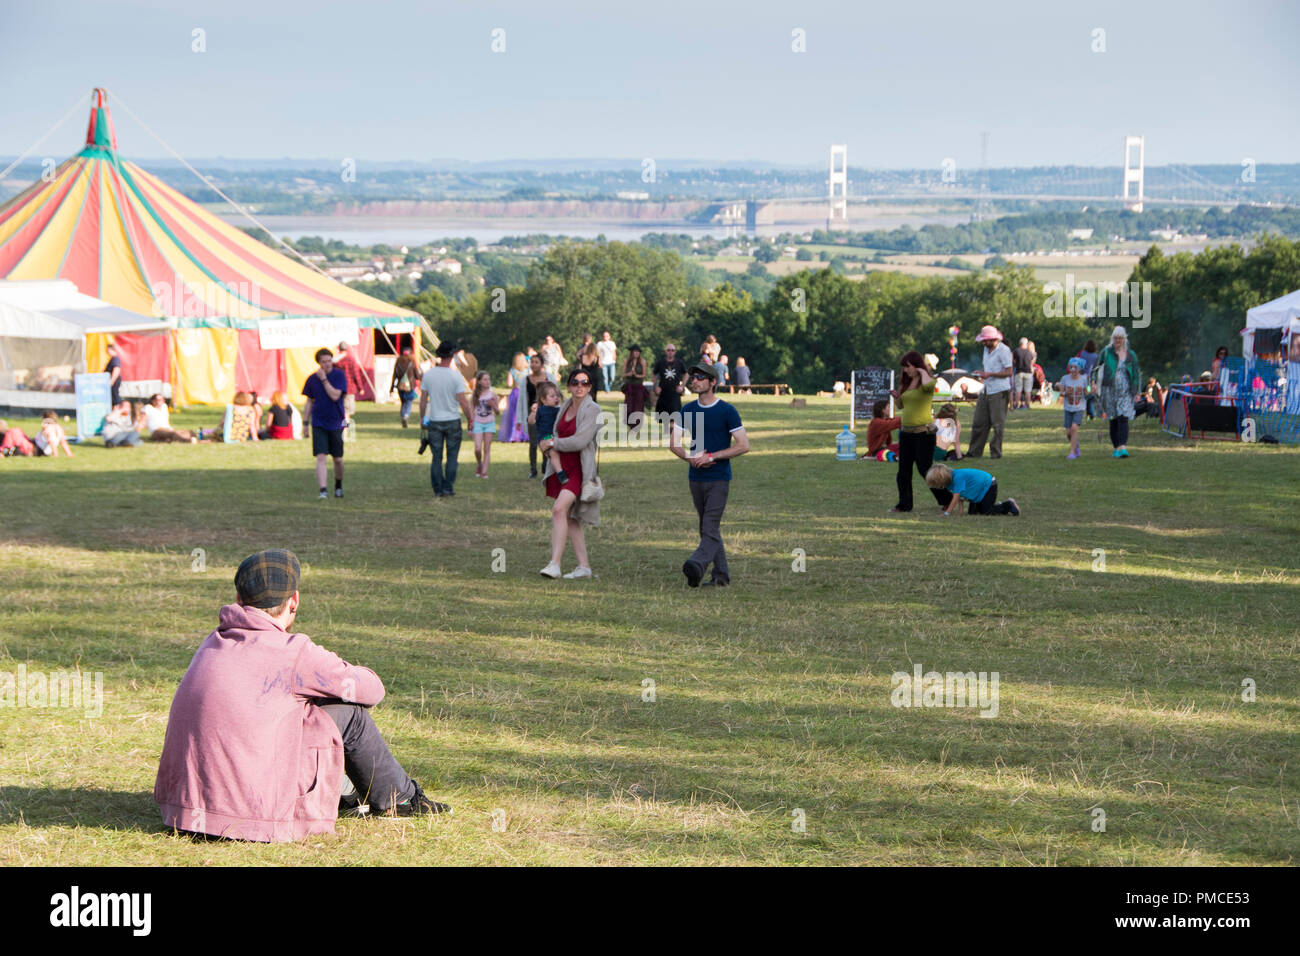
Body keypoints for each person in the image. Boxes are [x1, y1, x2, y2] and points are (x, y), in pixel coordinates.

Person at [154, 549, 449, 842]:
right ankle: (402, 800)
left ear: (239, 599)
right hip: (254, 818)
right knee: (348, 714)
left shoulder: (213, 642)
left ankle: (348, 795)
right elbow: (372, 690)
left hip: (184, 812)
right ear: (294, 600)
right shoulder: (295, 652)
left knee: (302, 710)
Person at [670, 362, 749, 588]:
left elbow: (743, 445)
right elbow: (674, 443)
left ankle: (696, 564)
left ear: (713, 382)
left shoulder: (727, 411)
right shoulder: (687, 410)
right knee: (707, 527)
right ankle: (721, 576)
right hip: (695, 479)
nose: (694, 380)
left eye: (700, 377)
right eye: (693, 377)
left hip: (719, 478)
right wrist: (690, 458)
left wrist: (712, 457)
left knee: (709, 527)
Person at [538, 369, 602, 580]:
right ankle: (584, 567)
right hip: (561, 466)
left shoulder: (593, 409)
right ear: (569, 385)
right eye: (575, 382)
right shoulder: (564, 406)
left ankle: (554, 564)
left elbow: (580, 441)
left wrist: (553, 443)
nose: (580, 386)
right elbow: (554, 431)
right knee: (569, 517)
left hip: (579, 469)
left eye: (584, 382)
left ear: (590, 386)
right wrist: (547, 445)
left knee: (558, 510)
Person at [889, 351, 952, 514]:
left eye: (907, 366)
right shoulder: (905, 383)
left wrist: (922, 371)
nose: (905, 370)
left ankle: (947, 499)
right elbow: (901, 406)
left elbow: (928, 387)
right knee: (903, 471)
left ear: (916, 366)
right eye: (903, 367)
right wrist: (897, 396)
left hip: (923, 433)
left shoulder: (928, 381)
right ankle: (904, 505)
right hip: (906, 433)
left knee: (925, 470)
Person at [419, 340, 474, 498]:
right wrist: (470, 419)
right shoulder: (456, 376)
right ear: (452, 356)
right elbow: (462, 401)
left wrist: (423, 418)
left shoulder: (428, 375)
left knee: (436, 457)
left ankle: (437, 489)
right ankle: (448, 487)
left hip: (435, 420)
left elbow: (423, 400)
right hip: (452, 420)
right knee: (452, 456)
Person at [301, 348, 347, 499]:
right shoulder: (311, 379)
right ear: (319, 363)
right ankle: (323, 490)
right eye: (324, 362)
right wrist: (305, 423)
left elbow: (335, 396)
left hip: (336, 422)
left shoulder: (339, 375)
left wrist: (324, 380)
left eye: (329, 361)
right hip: (319, 422)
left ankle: (338, 485)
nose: (327, 364)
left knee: (338, 459)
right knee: (321, 457)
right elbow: (309, 401)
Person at [965, 325, 1013, 459]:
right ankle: (974, 452)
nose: (983, 343)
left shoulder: (1004, 350)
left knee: (997, 424)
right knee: (979, 422)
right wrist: (981, 373)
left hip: (999, 390)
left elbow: (1009, 372)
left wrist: (990, 374)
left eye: (985, 340)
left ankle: (996, 452)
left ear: (993, 339)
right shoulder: (986, 350)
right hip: (986, 389)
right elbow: (988, 368)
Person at [1098, 325, 1141, 458]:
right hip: (1109, 390)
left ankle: (1123, 446)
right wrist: (1093, 384)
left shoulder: (1131, 355)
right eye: (1116, 338)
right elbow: (1097, 368)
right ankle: (1116, 447)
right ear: (1112, 339)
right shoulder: (1106, 352)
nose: (1118, 341)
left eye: (1120, 338)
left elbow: (1136, 373)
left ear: (1124, 339)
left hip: (1126, 391)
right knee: (1113, 419)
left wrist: (1138, 391)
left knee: (1123, 418)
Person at [926, 463, 1019, 517]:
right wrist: (960, 512)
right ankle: (995, 505)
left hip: (989, 485)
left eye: (936, 484)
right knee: (972, 513)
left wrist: (947, 513)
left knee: (986, 512)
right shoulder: (949, 484)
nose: (937, 487)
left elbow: (956, 497)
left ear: (941, 479)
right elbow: (960, 497)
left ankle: (1009, 504)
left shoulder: (958, 477)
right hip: (978, 492)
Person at [528, 380, 567, 485]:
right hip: (545, 438)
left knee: (561, 454)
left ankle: (555, 475)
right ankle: (561, 474)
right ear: (543, 399)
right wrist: (533, 412)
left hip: (556, 437)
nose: (556, 398)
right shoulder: (541, 410)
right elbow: (531, 421)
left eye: (557, 395)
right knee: (554, 454)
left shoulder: (559, 410)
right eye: (552, 396)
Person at [525, 353, 556, 478]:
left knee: (546, 439)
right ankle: (533, 469)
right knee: (533, 442)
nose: (533, 364)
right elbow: (523, 399)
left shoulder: (549, 378)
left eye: (536, 362)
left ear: (542, 364)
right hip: (533, 412)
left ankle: (545, 465)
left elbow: (556, 394)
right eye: (532, 362)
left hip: (547, 413)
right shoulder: (526, 380)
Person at [470, 371, 505, 478]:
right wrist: (471, 422)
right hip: (478, 423)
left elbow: (498, 412)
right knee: (477, 448)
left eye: (489, 379)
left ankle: (484, 472)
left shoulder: (493, 394)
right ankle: (479, 464)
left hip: (489, 423)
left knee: (486, 448)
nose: (488, 381)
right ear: (479, 382)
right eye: (485, 379)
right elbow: (471, 410)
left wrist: (493, 405)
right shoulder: (475, 395)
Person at [1058, 358, 1089, 459]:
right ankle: (1076, 445)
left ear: (1080, 369)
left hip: (1079, 408)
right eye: (1071, 367)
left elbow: (1087, 391)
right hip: (1068, 408)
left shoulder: (1084, 379)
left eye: (1075, 367)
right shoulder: (1065, 378)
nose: (1073, 369)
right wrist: (1064, 393)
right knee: (1068, 432)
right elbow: (1061, 393)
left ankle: (1072, 452)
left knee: (1074, 428)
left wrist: (1091, 390)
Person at [497, 352, 530, 444]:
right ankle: (525, 435)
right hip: (525, 393)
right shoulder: (528, 371)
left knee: (514, 415)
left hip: (515, 393)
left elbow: (509, 384)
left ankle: (513, 435)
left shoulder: (512, 371)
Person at [653, 343, 687, 419]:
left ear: (675, 352)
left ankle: (672, 430)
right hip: (663, 393)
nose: (670, 352)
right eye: (668, 350)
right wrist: (656, 387)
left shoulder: (679, 363)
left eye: (672, 350)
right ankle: (668, 430)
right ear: (665, 351)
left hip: (675, 393)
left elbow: (686, 374)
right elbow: (654, 374)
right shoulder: (660, 363)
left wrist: (682, 386)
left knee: (674, 417)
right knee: (663, 418)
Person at [334, 342, 364, 428]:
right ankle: (344, 429)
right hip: (349, 389)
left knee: (340, 410)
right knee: (347, 412)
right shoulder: (351, 360)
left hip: (336, 389)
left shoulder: (335, 361)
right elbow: (356, 374)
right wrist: (360, 387)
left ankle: (340, 427)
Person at [390, 345, 420, 428]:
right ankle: (406, 416)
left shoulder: (398, 363)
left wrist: (391, 388)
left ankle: (403, 416)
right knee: (409, 402)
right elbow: (417, 376)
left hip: (400, 387)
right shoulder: (412, 363)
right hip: (410, 387)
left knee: (403, 403)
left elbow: (394, 376)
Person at [621, 345, 648, 435]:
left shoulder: (643, 362)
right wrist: (629, 374)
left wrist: (637, 375)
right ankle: (630, 426)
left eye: (638, 352)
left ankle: (635, 428)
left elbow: (644, 375)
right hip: (629, 388)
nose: (636, 353)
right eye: (635, 351)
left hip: (639, 387)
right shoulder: (627, 361)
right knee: (628, 408)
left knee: (638, 408)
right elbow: (623, 374)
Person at [1077, 339, 1100, 419]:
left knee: (1085, 396)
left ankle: (1090, 414)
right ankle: (1090, 414)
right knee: (1089, 394)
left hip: (1081, 378)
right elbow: (1097, 368)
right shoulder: (1096, 356)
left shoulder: (1082, 353)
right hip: (1090, 380)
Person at [1012, 337, 1034, 410]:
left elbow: (1013, 361)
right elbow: (1031, 363)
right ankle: (1027, 405)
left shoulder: (1016, 351)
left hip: (1019, 372)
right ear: (1026, 343)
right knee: (1028, 390)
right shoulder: (1029, 352)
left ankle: (1016, 404)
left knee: (1018, 389)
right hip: (1028, 373)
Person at [104, 342, 123, 407]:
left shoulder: (115, 359)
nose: (107, 351)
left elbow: (116, 370)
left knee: (115, 396)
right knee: (113, 396)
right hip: (112, 381)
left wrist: (111, 381)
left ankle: (117, 409)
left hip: (114, 381)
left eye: (108, 349)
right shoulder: (113, 358)